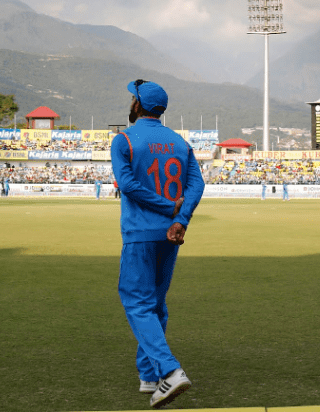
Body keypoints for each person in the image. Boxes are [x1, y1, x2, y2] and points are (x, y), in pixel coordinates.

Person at [111, 79, 205, 409]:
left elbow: (128, 184)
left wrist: (169, 208)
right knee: (155, 305)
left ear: (138, 105)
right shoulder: (179, 142)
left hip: (140, 233)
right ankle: (149, 375)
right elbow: (197, 184)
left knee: (137, 302)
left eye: (132, 98)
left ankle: (170, 371)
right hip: (170, 236)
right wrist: (180, 219)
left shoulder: (123, 140)